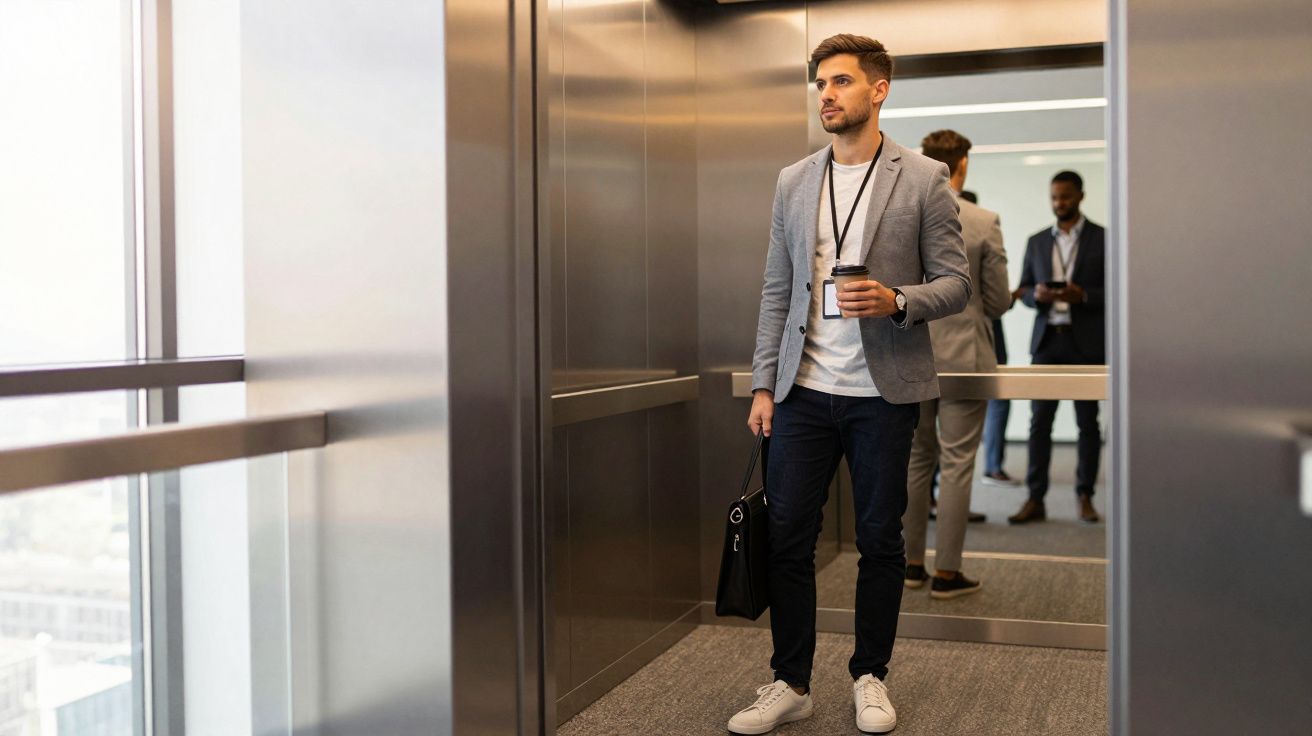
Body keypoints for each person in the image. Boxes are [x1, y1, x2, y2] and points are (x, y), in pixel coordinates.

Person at [732, 34, 969, 736]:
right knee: (787, 539)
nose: (827, 95)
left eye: (840, 81)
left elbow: (955, 284)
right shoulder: (794, 180)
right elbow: (777, 290)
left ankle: (870, 675)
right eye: (820, 84)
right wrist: (764, 385)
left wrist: (898, 300)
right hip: (802, 392)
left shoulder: (923, 178)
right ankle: (790, 682)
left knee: (879, 540)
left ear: (878, 89)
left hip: (882, 394)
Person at [902, 130, 1011, 599]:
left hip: (912, 352)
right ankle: (947, 573)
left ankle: (910, 566)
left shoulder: (905, 216)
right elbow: (998, 301)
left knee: (916, 460)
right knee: (959, 462)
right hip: (966, 357)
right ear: (962, 164)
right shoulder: (983, 221)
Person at [1008, 171, 1106, 525]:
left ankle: (1085, 496)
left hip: (1087, 342)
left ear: (1080, 196)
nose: (1059, 203)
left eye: (1065, 196)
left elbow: (1119, 290)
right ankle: (1035, 498)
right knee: (1039, 423)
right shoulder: (1037, 241)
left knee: (1087, 423)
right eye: (1054, 197)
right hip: (1047, 341)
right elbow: (1023, 289)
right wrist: (1036, 295)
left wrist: (1085, 296)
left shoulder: (1104, 239)